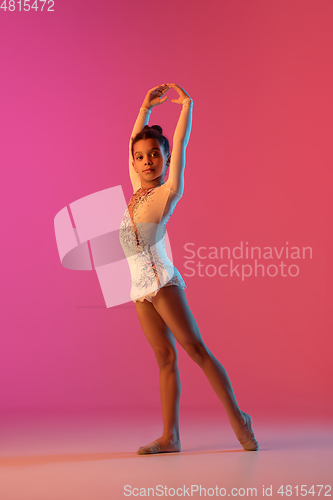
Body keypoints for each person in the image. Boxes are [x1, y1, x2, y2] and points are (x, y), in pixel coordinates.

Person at [119, 83, 259, 455]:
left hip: (163, 283)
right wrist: (144, 108)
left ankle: (240, 420)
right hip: (139, 291)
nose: (147, 161)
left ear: (165, 160)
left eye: (155, 155)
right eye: (140, 157)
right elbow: (133, 141)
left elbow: (179, 145)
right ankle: (171, 438)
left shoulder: (168, 192)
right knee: (164, 359)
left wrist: (186, 107)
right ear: (133, 162)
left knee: (195, 349)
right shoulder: (135, 192)